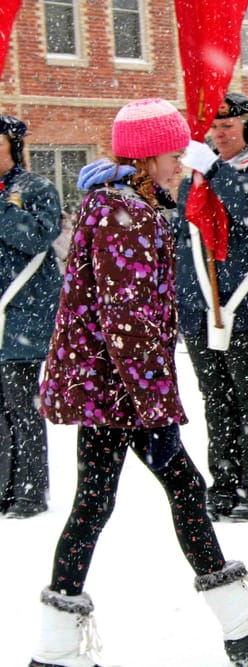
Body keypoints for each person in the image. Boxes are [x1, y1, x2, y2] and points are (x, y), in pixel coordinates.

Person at [31, 98, 248, 667]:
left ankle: (60, 644)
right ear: (148, 155)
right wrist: (155, 398)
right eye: (174, 152)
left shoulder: (135, 206)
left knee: (102, 501)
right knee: (162, 491)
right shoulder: (123, 215)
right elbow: (126, 320)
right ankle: (237, 623)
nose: (182, 163)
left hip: (115, 390)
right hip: (122, 392)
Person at [175, 92, 248, 521]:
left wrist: (215, 170)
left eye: (229, 126)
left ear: (247, 128)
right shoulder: (197, 178)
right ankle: (224, 483)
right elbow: (187, 242)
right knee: (216, 401)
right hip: (201, 308)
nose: (220, 134)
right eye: (215, 128)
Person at [0, 113, 62, 519]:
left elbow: (40, 235)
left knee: (23, 406)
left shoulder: (35, 187)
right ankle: (4, 486)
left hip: (23, 314)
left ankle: (29, 490)